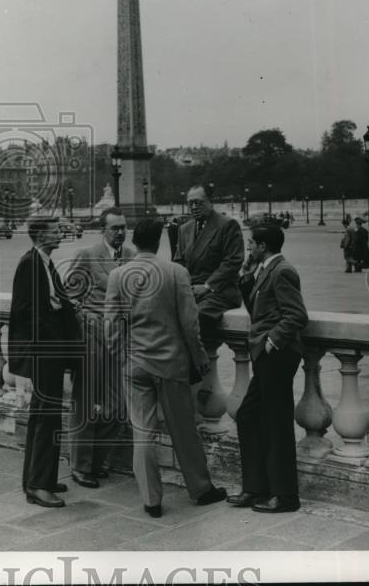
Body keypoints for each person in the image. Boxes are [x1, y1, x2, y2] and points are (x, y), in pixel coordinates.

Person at [105, 217, 227, 517]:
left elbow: (110, 326)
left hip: (134, 364)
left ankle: (151, 500)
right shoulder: (175, 272)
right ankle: (200, 489)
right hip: (170, 364)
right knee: (184, 431)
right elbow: (190, 324)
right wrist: (199, 359)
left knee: (142, 433)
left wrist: (122, 357)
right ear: (159, 240)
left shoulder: (118, 275)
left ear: (135, 240)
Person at [228, 224, 308, 514]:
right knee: (248, 416)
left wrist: (273, 340)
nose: (248, 248)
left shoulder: (283, 270)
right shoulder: (265, 270)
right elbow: (255, 308)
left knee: (276, 424)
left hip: (278, 355)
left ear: (263, 245)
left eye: (251, 244)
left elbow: (297, 315)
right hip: (265, 354)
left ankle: (286, 496)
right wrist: (247, 273)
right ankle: (256, 487)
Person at [7, 217, 82, 509]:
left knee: (46, 416)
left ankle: (41, 479)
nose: (60, 234)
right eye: (55, 231)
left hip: (49, 350)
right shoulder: (31, 264)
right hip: (44, 352)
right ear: (39, 235)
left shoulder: (44, 262)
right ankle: (38, 485)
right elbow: (25, 313)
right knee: (45, 417)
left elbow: (51, 301)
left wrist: (64, 306)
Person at [63, 207, 135, 488]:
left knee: (118, 407)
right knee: (84, 404)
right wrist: (85, 320)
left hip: (120, 342)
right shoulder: (87, 256)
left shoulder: (132, 257)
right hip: (92, 341)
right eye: (115, 228)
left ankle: (96, 460)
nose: (120, 232)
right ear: (102, 230)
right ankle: (80, 466)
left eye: (123, 227)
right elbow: (69, 295)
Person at [172, 185, 245, 336]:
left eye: (198, 203)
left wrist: (207, 286)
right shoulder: (184, 228)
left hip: (219, 292)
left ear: (210, 202)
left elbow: (232, 262)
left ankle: (195, 358)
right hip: (191, 291)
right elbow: (178, 262)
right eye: (190, 203)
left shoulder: (227, 225)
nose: (193, 207)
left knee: (194, 317)